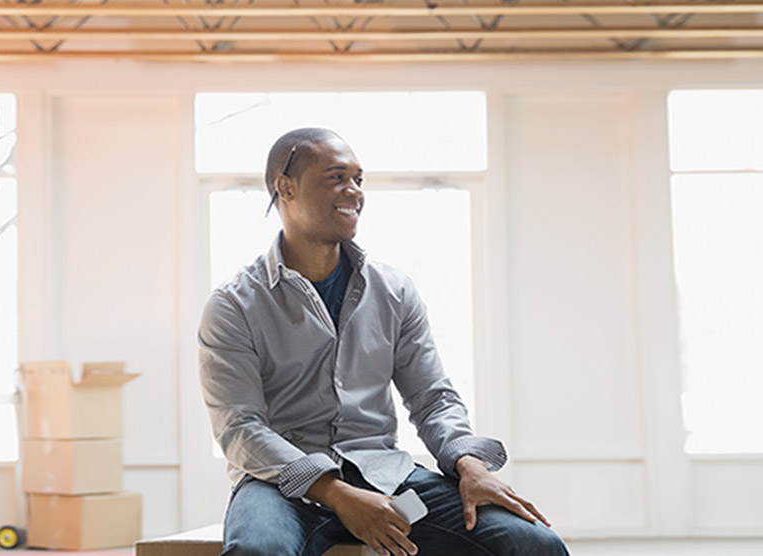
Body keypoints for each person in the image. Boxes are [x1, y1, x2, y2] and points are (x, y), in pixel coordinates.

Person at [199, 128, 570, 556]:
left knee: (533, 544)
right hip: (280, 487)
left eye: (358, 178)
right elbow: (240, 428)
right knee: (257, 551)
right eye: (337, 177)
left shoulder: (394, 290)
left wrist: (470, 465)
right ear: (286, 187)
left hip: (388, 479)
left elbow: (433, 400)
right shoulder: (233, 305)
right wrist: (336, 494)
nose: (354, 191)